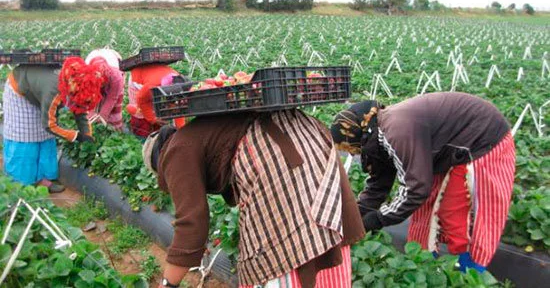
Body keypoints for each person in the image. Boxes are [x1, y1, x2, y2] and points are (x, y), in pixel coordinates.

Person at [142, 110, 365, 288]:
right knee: (316, 235)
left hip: (276, 156)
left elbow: (191, 224)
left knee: (281, 251)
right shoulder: (198, 133)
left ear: (159, 166)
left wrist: (168, 284)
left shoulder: (175, 152)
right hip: (307, 136)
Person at [330, 92, 516, 273]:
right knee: (426, 209)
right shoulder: (374, 136)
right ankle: (425, 263)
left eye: (349, 148)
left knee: (455, 211)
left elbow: (416, 190)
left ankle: (470, 270)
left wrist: (377, 219)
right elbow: (378, 186)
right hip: (445, 151)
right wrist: (356, 216)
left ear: (356, 135)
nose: (353, 154)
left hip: (481, 139)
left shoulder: (395, 131)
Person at [2, 57, 106, 193]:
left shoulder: (76, 83)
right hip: (20, 92)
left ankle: (41, 180)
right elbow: (50, 125)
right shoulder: (54, 91)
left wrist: (87, 134)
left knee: (43, 136)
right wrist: (75, 136)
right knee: (25, 139)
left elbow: (80, 108)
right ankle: (20, 186)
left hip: (38, 92)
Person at [126, 64, 186, 138]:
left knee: (159, 109)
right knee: (140, 113)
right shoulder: (151, 86)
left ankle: (157, 130)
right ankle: (140, 136)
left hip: (154, 76)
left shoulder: (179, 81)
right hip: (138, 77)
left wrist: (181, 132)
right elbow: (142, 101)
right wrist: (153, 119)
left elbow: (178, 108)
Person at [85, 49, 125, 131]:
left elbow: (112, 98)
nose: (101, 85)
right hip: (91, 81)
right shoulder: (85, 76)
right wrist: (91, 115)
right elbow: (89, 97)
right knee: (92, 111)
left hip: (113, 72)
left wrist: (103, 116)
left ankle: (116, 129)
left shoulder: (116, 76)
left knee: (114, 110)